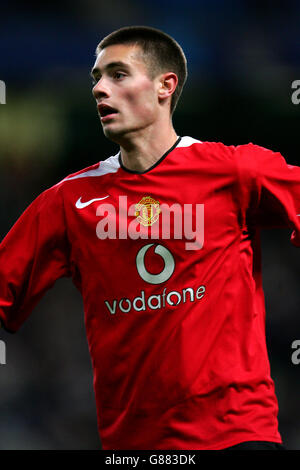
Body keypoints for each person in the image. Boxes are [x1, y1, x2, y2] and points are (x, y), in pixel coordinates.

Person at [0, 25, 298, 451]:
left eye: (117, 75)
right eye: (96, 78)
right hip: (135, 446)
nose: (101, 89)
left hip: (236, 435)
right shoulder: (68, 202)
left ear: (165, 85)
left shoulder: (235, 171)